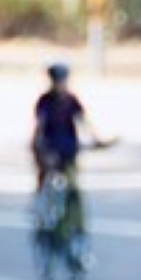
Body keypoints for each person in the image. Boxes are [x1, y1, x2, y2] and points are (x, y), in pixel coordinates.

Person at [31, 62, 112, 246]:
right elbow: (39, 128)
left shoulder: (71, 100)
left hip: (68, 150)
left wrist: (97, 140)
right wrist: (41, 151)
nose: (60, 84)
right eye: (57, 80)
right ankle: (43, 215)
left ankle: (76, 226)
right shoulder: (45, 101)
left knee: (73, 190)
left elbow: (84, 122)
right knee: (46, 184)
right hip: (49, 151)